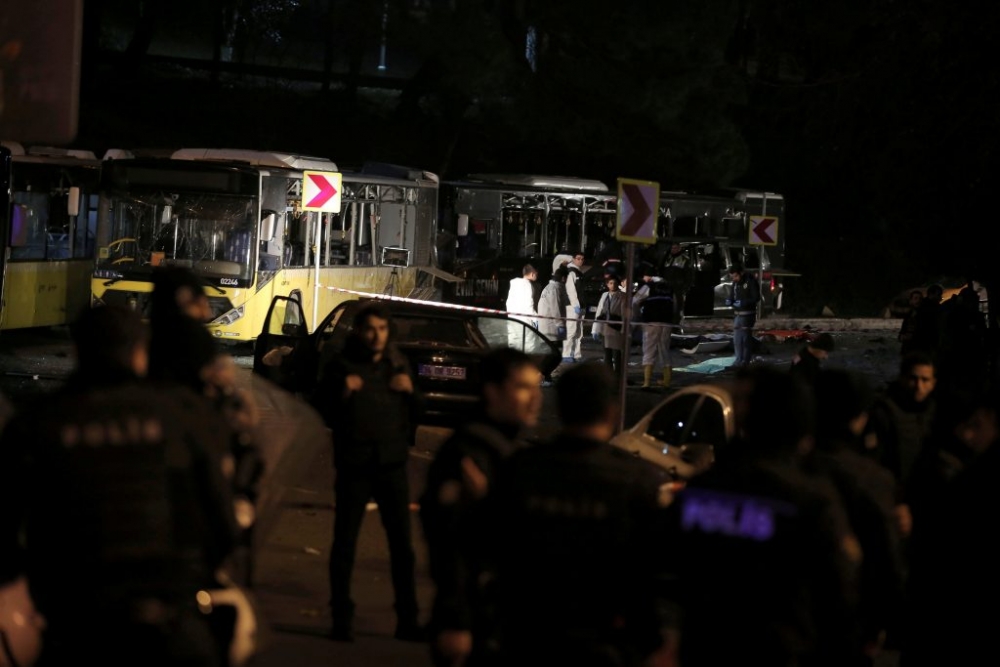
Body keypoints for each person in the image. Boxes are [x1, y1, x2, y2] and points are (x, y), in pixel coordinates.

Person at [0, 305, 242, 667]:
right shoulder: (180, 414)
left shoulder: (38, 423)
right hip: (168, 615)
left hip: (75, 621)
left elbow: (7, 527)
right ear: (140, 352)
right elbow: (222, 520)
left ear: (78, 350)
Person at [663, 366, 861, 667]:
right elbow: (840, 596)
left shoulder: (704, 488)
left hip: (707, 647)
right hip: (779, 650)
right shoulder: (809, 501)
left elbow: (666, 571)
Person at [492, 362, 674, 667]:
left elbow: (487, 550)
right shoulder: (641, 482)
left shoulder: (520, 469)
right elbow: (657, 574)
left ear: (560, 407)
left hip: (529, 635)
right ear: (612, 411)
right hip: (607, 640)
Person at [309, 301, 426, 643]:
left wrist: (411, 392)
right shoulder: (342, 365)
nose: (377, 336)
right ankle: (341, 619)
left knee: (402, 547)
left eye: (382, 329)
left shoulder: (396, 363)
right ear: (360, 332)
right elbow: (320, 408)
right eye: (371, 329)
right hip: (355, 465)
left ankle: (408, 620)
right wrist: (343, 391)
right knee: (345, 543)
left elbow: (419, 408)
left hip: (391, 466)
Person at [420, 348, 543, 667]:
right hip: (477, 619)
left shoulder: (507, 448)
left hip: (504, 615)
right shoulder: (470, 452)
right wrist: (455, 619)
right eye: (522, 387)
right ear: (492, 391)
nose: (534, 399)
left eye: (536, 387)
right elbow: (450, 544)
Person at [806, 369, 905, 666]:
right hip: (845, 622)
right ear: (860, 417)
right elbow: (886, 560)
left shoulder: (787, 469)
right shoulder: (870, 479)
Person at [632, 270, 676, 389]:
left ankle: (646, 382)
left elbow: (635, 301)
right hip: (666, 323)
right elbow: (675, 305)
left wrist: (637, 316)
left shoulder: (649, 286)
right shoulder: (669, 287)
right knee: (664, 350)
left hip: (651, 322)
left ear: (649, 276)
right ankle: (666, 381)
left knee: (649, 350)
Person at [536, 266, 569, 383]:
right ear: (564, 278)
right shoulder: (554, 289)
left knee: (551, 354)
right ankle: (541, 375)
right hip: (552, 326)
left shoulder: (550, 287)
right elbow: (556, 308)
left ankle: (546, 376)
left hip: (547, 325)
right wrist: (560, 324)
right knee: (555, 356)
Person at [725, 263, 760, 369]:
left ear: (741, 273)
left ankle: (745, 362)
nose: (734, 279)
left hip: (748, 315)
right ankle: (738, 361)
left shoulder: (750, 281)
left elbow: (756, 298)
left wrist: (743, 303)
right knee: (737, 339)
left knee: (745, 340)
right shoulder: (735, 284)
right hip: (737, 315)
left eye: (735, 276)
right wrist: (729, 300)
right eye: (732, 277)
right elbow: (732, 295)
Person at [592, 275, 626, 379]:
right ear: (607, 284)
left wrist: (624, 329)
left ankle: (618, 376)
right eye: (610, 283)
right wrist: (595, 328)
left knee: (617, 353)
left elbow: (624, 313)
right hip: (605, 328)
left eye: (615, 283)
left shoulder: (622, 295)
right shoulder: (605, 295)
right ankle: (608, 375)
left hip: (616, 327)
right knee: (607, 353)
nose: (613, 285)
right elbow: (600, 310)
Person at [506, 264, 538, 349]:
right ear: (532, 274)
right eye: (536, 274)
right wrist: (535, 318)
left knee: (513, 345)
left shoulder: (514, 284)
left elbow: (508, 302)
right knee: (529, 345)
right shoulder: (527, 285)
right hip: (525, 320)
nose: (536, 276)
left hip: (512, 319)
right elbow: (528, 304)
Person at [562, 251, 586, 363]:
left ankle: (576, 354)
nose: (580, 260)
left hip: (580, 305)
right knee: (571, 331)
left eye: (582, 259)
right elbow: (570, 290)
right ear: (573, 259)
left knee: (579, 332)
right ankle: (566, 354)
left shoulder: (578, 272)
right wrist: (575, 304)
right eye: (578, 258)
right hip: (572, 306)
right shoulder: (570, 272)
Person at [661, 243, 692, 319]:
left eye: (675, 248)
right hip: (667, 287)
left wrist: (685, 288)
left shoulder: (685, 259)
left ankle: (676, 325)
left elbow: (689, 275)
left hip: (678, 287)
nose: (673, 250)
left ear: (679, 249)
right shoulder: (667, 258)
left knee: (677, 308)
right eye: (672, 248)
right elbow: (663, 271)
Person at [897, 290, 923, 356]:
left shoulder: (924, 315)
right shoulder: (908, 315)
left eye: (920, 299)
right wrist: (901, 337)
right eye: (915, 298)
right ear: (911, 301)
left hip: (918, 350)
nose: (918, 301)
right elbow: (903, 330)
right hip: (907, 349)